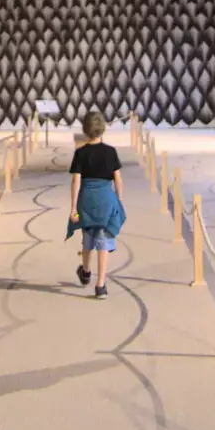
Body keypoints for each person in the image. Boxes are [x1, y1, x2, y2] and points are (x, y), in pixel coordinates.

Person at [65, 110, 127, 298]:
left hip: (87, 200)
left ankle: (85, 272)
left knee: (88, 237)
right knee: (104, 240)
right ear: (102, 129)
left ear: (86, 129)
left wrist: (74, 207)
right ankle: (100, 285)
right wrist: (118, 199)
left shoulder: (80, 153)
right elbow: (118, 179)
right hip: (106, 199)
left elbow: (76, 181)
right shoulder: (111, 152)